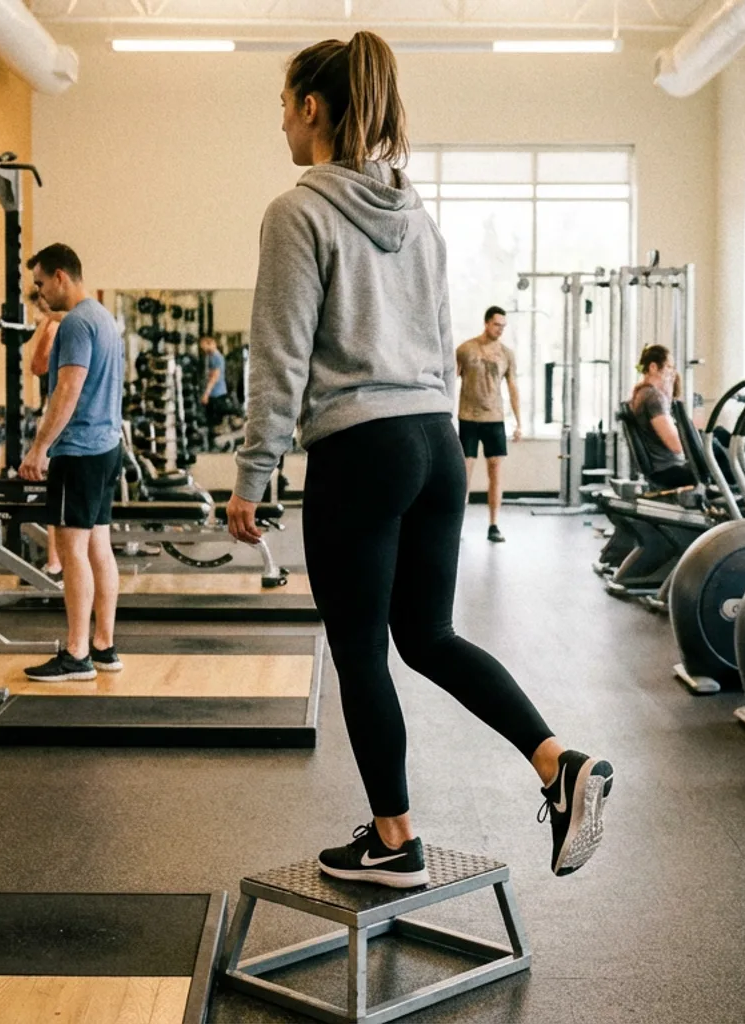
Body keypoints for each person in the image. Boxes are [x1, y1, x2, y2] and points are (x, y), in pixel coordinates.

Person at [226, 31, 612, 888]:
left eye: (284, 106)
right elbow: (440, 346)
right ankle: (557, 762)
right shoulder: (419, 218)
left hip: (361, 448)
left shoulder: (297, 212)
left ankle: (394, 842)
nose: (280, 123)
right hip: (436, 443)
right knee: (429, 635)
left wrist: (254, 473)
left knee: (362, 648)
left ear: (313, 108)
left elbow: (279, 356)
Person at [19, 244, 125, 681]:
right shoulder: (103, 317)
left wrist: (39, 448)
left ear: (60, 276)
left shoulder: (77, 323)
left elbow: (67, 390)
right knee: (99, 546)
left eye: (41, 283)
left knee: (72, 552)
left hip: (79, 451)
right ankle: (104, 646)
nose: (40, 293)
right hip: (107, 447)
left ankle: (77, 653)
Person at [456, 306, 521, 542]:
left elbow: (513, 387)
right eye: (496, 325)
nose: (500, 330)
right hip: (469, 417)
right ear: (486, 323)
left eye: (503, 326)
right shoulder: (465, 349)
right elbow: (449, 379)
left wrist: (519, 422)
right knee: (464, 472)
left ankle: (494, 525)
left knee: (495, 472)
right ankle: (457, 524)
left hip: (494, 418)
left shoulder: (506, 354)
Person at [27, 287, 66, 578]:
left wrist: (48, 325)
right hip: (58, 415)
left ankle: (56, 561)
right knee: (59, 492)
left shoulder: (58, 324)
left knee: (58, 492)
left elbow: (37, 365)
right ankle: (57, 560)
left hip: (59, 418)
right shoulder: (66, 323)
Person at [628, 344, 695, 489]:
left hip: (664, 469)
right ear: (653, 367)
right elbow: (677, 446)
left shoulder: (642, 394)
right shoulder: (654, 397)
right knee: (717, 451)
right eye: (669, 367)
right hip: (669, 470)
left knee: (717, 437)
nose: (672, 373)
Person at [198, 334, 232, 437]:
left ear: (212, 344)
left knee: (215, 422)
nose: (204, 350)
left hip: (217, 394)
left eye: (205, 347)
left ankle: (217, 440)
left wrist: (206, 394)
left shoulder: (217, 358)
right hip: (213, 393)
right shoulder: (210, 357)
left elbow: (214, 377)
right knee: (210, 421)